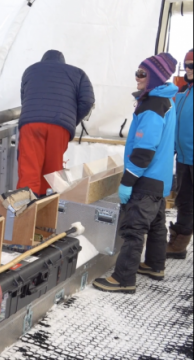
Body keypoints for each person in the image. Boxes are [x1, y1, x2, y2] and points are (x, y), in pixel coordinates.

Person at [93, 53, 178, 293]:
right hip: (160, 179)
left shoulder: (152, 107)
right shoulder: (165, 101)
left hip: (146, 179)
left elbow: (144, 150)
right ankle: (154, 265)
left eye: (142, 74)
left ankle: (123, 279)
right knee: (157, 225)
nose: (137, 78)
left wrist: (128, 181)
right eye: (137, 73)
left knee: (134, 229)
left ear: (155, 77)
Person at [17, 50, 95, 196]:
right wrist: (70, 120)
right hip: (60, 126)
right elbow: (87, 101)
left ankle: (25, 212)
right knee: (52, 173)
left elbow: (25, 97)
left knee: (29, 171)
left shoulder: (30, 70)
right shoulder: (78, 73)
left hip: (31, 124)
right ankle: (47, 211)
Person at [168, 49, 193, 259]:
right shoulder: (183, 92)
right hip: (184, 158)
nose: (188, 69)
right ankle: (178, 245)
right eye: (186, 65)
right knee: (184, 201)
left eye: (192, 66)